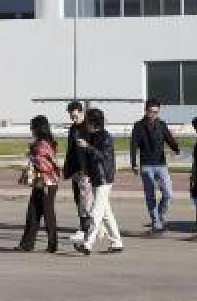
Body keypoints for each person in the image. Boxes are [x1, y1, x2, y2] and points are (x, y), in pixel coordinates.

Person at [75, 107, 123, 255]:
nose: (85, 124)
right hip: (96, 178)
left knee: (96, 212)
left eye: (87, 121)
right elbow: (90, 159)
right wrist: (85, 172)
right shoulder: (92, 135)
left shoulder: (105, 136)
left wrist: (87, 146)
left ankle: (88, 243)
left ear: (94, 122)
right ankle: (116, 242)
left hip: (104, 178)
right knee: (106, 212)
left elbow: (102, 156)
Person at [130, 98, 180, 233]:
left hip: (161, 164)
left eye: (156, 112)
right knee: (150, 195)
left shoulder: (162, 124)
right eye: (151, 112)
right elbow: (133, 145)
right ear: (146, 111)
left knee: (168, 194)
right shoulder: (138, 126)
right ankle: (156, 222)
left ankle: (159, 217)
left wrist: (176, 148)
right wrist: (134, 164)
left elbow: (169, 138)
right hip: (146, 165)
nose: (153, 115)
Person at [16, 115, 61, 253]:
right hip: (41, 182)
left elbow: (45, 166)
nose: (31, 129)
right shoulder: (45, 142)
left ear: (38, 128)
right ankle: (27, 244)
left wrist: (33, 157)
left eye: (32, 127)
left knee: (46, 214)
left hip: (46, 183)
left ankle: (51, 244)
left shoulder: (41, 144)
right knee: (33, 213)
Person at [63, 100, 93, 240]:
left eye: (75, 116)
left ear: (81, 112)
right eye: (71, 116)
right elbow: (70, 150)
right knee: (78, 199)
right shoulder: (72, 128)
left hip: (86, 170)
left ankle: (84, 230)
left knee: (85, 201)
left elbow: (93, 149)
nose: (73, 119)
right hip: (75, 169)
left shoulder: (89, 127)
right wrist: (66, 168)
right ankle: (91, 227)